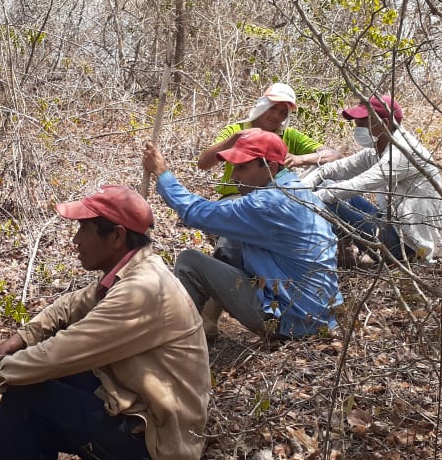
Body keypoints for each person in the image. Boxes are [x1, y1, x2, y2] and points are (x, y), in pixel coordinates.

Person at [0, 185, 209, 460]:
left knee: (26, 393)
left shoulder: (141, 291)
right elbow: (68, 306)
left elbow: (60, 353)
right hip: (142, 404)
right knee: (31, 378)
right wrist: (9, 345)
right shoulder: (135, 270)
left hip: (160, 444)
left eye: (84, 229)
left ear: (117, 236)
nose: (76, 240)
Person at [143, 130, 341, 341]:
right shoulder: (297, 190)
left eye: (242, 167)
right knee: (231, 239)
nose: (234, 176)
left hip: (293, 322)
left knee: (189, 261)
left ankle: (178, 342)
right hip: (321, 316)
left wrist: (163, 174)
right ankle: (206, 320)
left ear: (271, 167)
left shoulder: (268, 204)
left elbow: (196, 213)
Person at [197, 83, 340, 268]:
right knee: (239, 221)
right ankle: (226, 270)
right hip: (237, 196)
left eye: (283, 112)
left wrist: (300, 158)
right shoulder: (236, 130)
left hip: (277, 198)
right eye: (273, 108)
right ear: (262, 106)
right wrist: (235, 139)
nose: (276, 116)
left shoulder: (288, 135)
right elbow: (204, 163)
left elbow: (333, 154)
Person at [303, 95, 442, 265]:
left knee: (328, 198)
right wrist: (303, 186)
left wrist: (311, 197)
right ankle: (346, 252)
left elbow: (361, 183)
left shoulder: (403, 152)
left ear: (384, 123)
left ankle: (332, 255)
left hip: (408, 243)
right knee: (326, 184)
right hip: (389, 222)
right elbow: (336, 168)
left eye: (364, 121)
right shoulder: (377, 149)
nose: (357, 126)